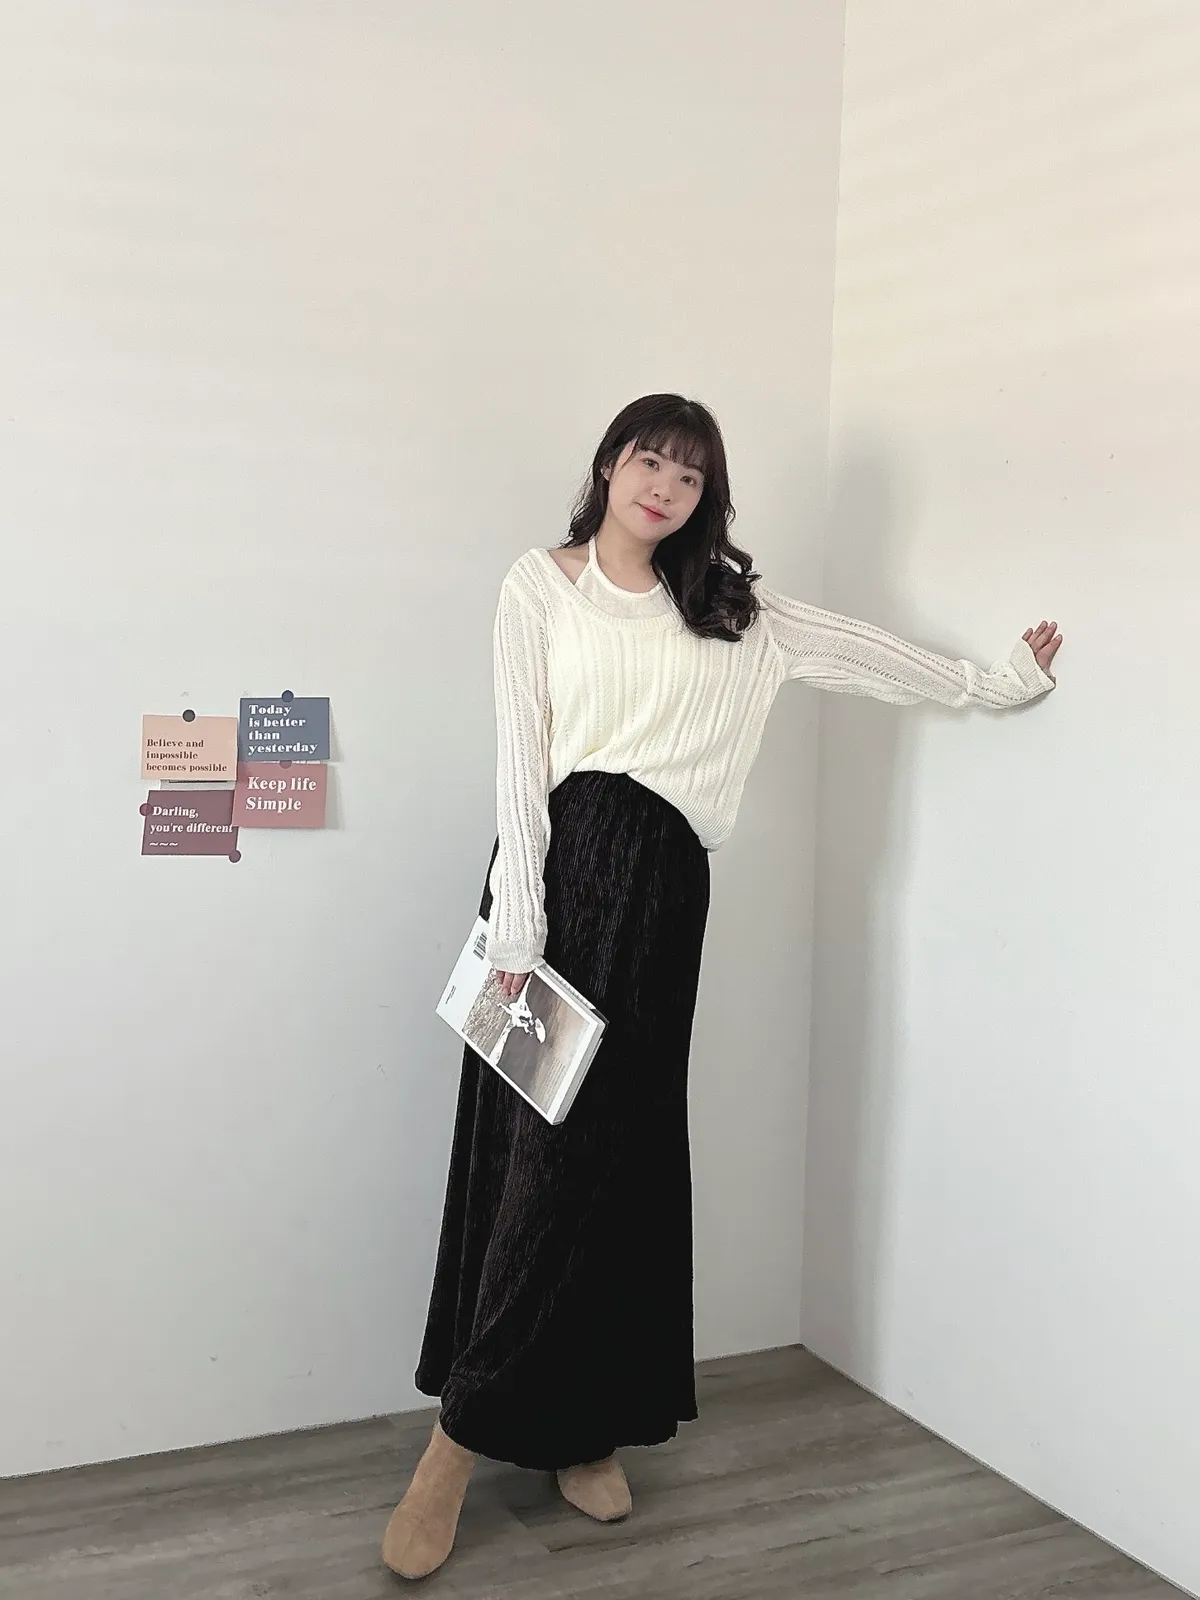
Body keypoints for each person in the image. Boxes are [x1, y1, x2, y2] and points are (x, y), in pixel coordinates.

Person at [381, 393, 1063, 1579]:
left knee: (617, 1163)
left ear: (707, 497)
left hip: (660, 893)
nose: (664, 485)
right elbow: (518, 760)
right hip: (545, 883)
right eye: (650, 459)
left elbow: (873, 656)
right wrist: (520, 927)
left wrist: (996, 681)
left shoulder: (736, 609)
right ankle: (455, 1442)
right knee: (528, 1159)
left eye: (690, 475)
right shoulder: (540, 585)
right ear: (609, 463)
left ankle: (583, 1424)